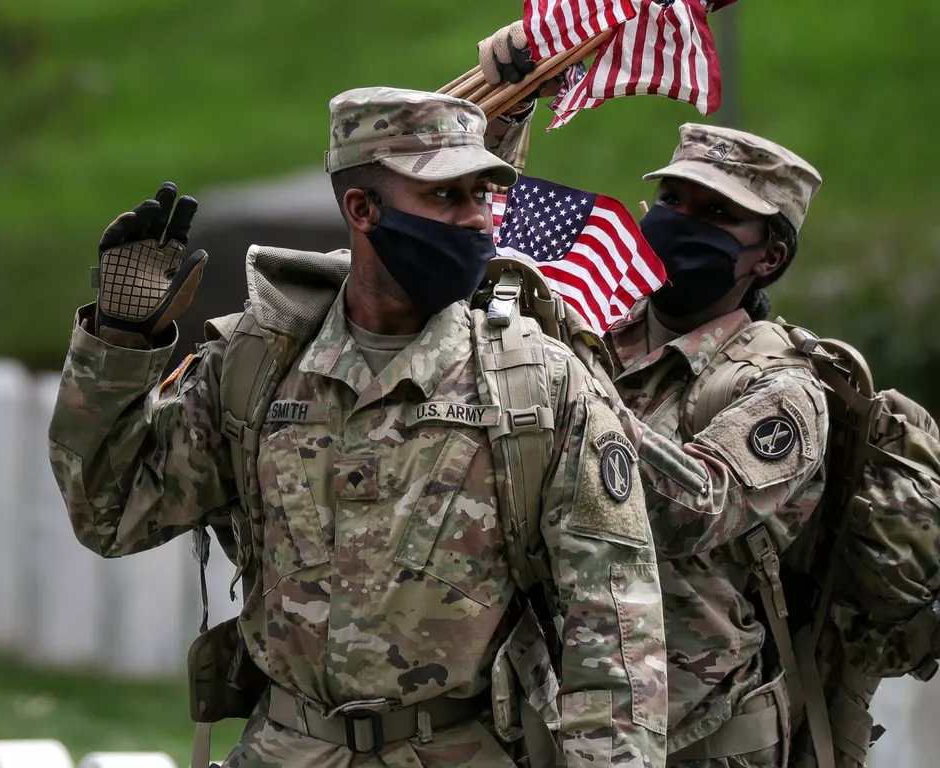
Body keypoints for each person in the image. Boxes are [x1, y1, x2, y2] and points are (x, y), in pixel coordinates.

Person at [47, 86, 667, 767]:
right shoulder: (258, 366)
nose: (475, 222)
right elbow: (112, 513)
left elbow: (613, 626)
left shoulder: (537, 383)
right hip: (288, 747)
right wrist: (119, 340)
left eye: (479, 196)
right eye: (443, 197)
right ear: (362, 208)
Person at [477, 22, 829, 767]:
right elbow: (475, 259)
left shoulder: (779, 390)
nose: (682, 223)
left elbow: (690, 511)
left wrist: (571, 387)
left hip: (696, 733)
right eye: (674, 199)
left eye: (717, 216)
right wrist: (507, 113)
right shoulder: (597, 319)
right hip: (557, 710)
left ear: (768, 257)